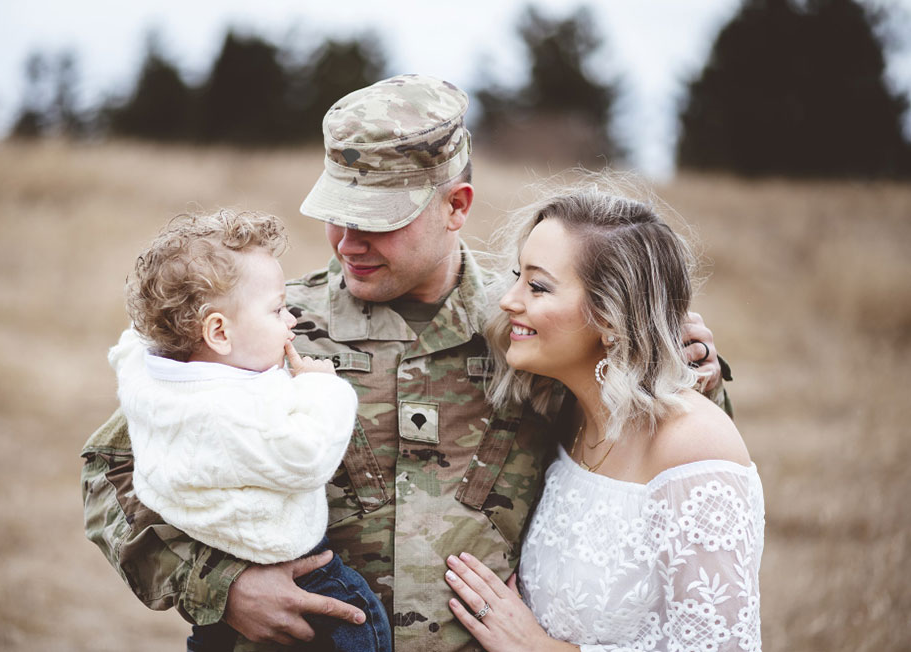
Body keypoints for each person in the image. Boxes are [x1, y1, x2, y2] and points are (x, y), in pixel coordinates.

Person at [81, 74, 731, 652]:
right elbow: (113, 468)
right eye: (337, 212)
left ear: (457, 206)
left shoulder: (535, 334)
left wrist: (684, 370)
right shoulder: (264, 330)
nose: (347, 241)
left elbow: (654, 478)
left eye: (377, 220)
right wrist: (223, 587)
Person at [441, 184, 763, 651]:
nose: (508, 300)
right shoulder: (568, 415)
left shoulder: (693, 447)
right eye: (517, 276)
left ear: (611, 317)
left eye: (537, 286)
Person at [109, 210, 391, 652]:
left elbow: (129, 350)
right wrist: (322, 386)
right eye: (279, 310)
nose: (292, 321)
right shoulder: (235, 413)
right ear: (218, 331)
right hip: (295, 562)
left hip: (215, 571)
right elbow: (307, 455)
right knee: (361, 620)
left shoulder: (151, 377)